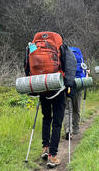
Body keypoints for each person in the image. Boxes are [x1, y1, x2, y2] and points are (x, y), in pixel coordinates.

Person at [24, 32, 76, 168]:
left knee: (46, 118)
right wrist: (69, 86)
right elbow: (70, 64)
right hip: (57, 86)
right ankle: (53, 156)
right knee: (57, 122)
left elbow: (27, 65)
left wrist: (33, 82)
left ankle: (45, 148)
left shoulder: (34, 44)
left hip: (42, 85)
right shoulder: (61, 45)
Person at [64, 47, 90, 140]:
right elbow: (84, 72)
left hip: (66, 85)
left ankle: (68, 131)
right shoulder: (79, 56)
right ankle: (75, 129)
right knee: (76, 109)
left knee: (67, 110)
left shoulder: (64, 56)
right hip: (77, 85)